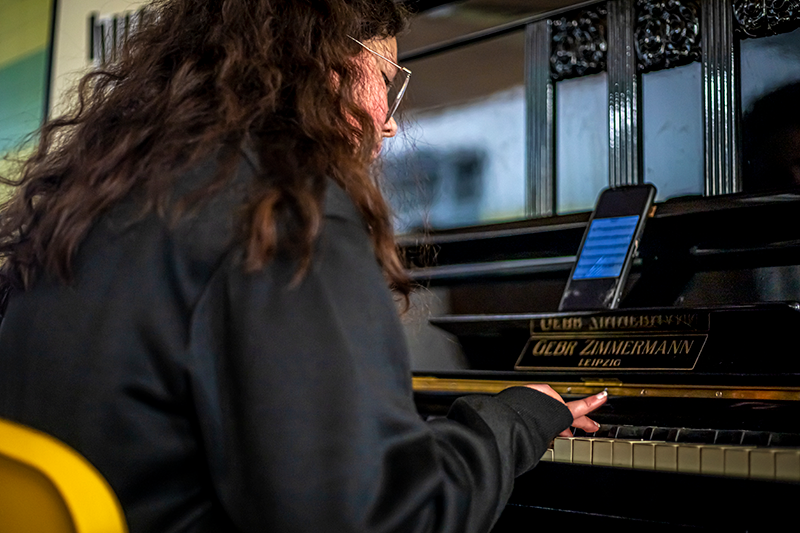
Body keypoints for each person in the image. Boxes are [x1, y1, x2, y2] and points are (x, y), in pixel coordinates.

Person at [0, 1, 606, 532]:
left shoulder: (100, 202)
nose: (391, 121)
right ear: (330, 69)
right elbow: (380, 519)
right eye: (389, 83)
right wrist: (514, 418)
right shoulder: (280, 208)